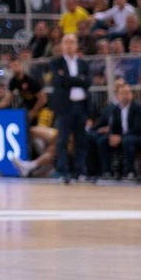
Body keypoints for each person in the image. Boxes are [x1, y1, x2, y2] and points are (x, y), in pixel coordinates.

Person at [49, 33, 93, 182]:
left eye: (72, 42)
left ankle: (80, 171)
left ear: (76, 45)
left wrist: (69, 80)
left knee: (81, 140)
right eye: (66, 42)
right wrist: (78, 79)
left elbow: (88, 82)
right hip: (65, 107)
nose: (69, 45)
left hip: (80, 106)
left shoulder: (83, 64)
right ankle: (63, 171)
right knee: (62, 140)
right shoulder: (56, 63)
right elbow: (58, 81)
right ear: (62, 45)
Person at [92, 81, 141, 179]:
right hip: (121, 136)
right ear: (117, 96)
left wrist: (121, 137)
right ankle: (106, 171)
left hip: (136, 136)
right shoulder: (116, 109)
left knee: (127, 141)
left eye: (127, 93)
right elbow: (113, 126)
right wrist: (112, 136)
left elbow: (139, 127)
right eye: (122, 93)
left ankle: (130, 171)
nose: (124, 96)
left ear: (131, 95)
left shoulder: (138, 107)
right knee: (102, 141)